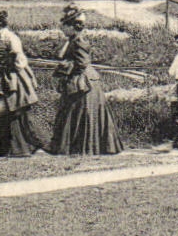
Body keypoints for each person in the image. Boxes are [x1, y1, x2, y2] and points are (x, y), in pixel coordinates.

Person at [47, 9, 122, 156]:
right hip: (79, 80)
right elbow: (63, 56)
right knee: (72, 112)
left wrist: (65, 66)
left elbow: (82, 63)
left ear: (71, 27)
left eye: (64, 26)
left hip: (84, 83)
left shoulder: (79, 41)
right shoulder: (72, 40)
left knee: (81, 113)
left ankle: (84, 147)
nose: (62, 29)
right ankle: (76, 146)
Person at [0, 8, 40, 158]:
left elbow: (20, 60)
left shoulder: (11, 38)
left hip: (13, 78)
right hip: (4, 77)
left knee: (8, 110)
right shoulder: (1, 38)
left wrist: (7, 66)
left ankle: (20, 146)